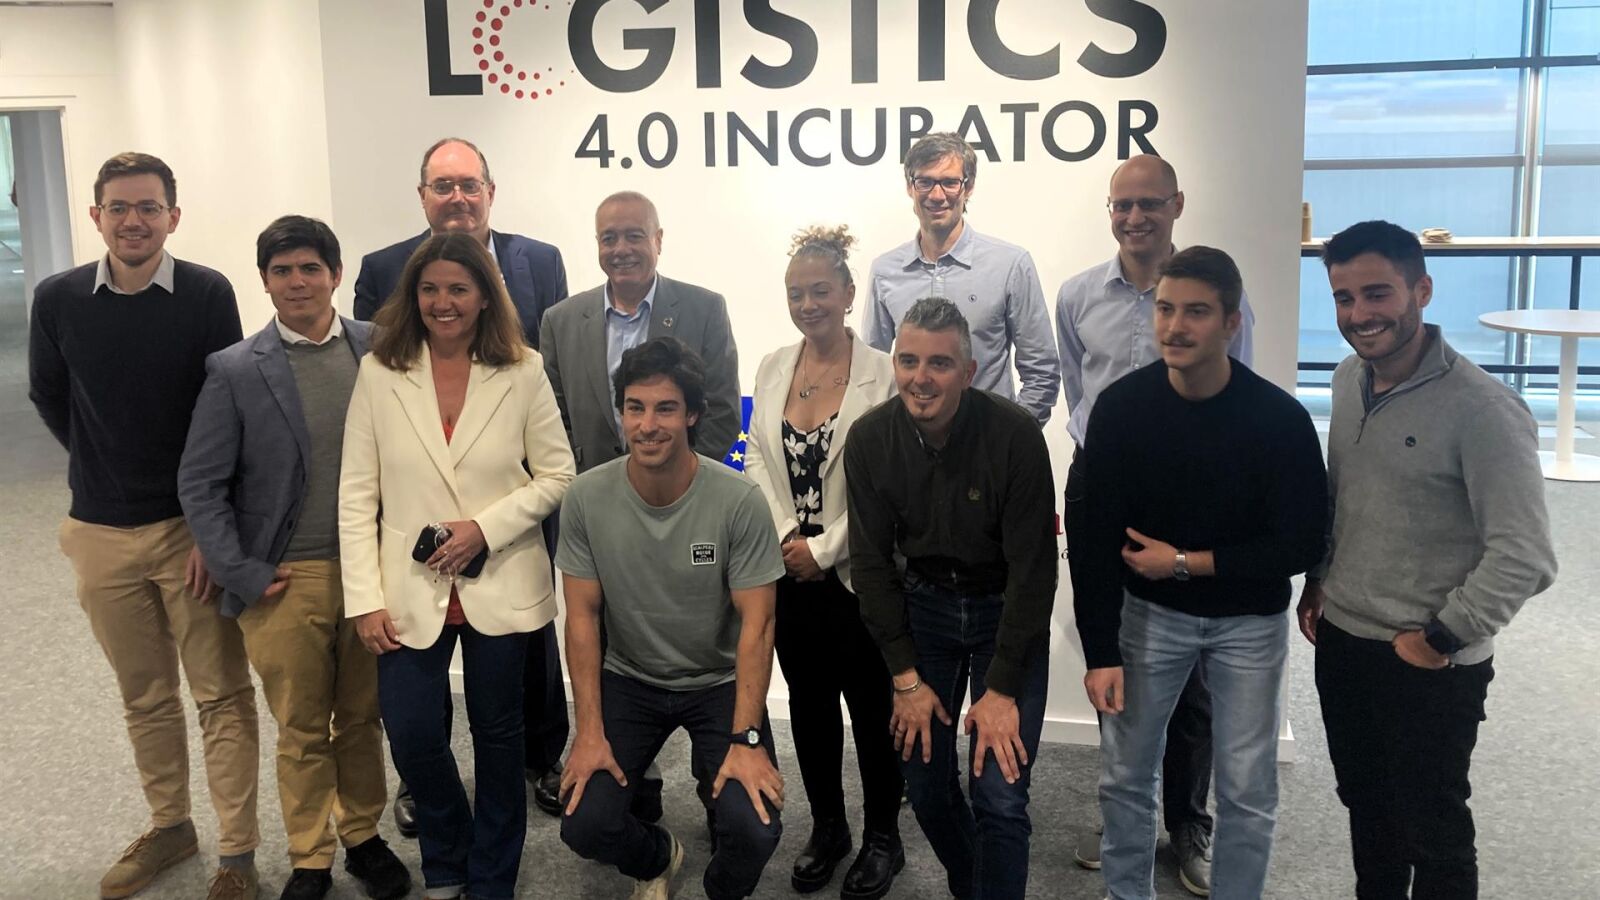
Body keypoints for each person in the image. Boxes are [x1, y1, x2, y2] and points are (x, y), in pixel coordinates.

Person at [1300, 220, 1557, 900]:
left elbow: (1526, 555)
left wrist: (1442, 636)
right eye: (1344, 297)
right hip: (1345, 641)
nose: (1359, 314)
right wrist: (1319, 580)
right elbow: (1343, 496)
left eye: (1377, 293)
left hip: (1429, 660)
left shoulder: (1484, 409)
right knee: (1368, 809)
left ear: (1422, 290)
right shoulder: (1349, 378)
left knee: (1434, 831)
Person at [29, 152, 260, 900]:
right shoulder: (58, 298)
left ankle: (238, 855)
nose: (134, 221)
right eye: (120, 208)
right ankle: (170, 826)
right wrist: (100, 461)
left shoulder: (206, 293)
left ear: (173, 216)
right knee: (145, 695)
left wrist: (210, 527)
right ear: (96, 216)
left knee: (221, 693)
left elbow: (225, 411)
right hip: (97, 531)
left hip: (187, 532)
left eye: (149, 207)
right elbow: (50, 395)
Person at [1074, 246, 1327, 900]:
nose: (1175, 326)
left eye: (1196, 312)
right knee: (1125, 777)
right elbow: (1094, 538)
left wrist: (1186, 562)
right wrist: (1100, 652)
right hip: (1148, 617)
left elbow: (1301, 543)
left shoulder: (1279, 420)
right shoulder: (1121, 410)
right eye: (1165, 309)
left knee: (1247, 788)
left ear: (1231, 323)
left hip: (1249, 625)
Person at [177, 216, 411, 900]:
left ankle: (364, 837)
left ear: (335, 275)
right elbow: (201, 482)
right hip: (284, 579)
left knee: (362, 718)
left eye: (310, 268)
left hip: (372, 573)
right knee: (302, 726)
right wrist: (241, 572)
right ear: (264, 281)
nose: (297, 282)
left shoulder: (381, 349)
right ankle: (310, 857)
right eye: (282, 271)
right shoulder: (234, 369)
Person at [339, 232, 575, 899]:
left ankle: (492, 876)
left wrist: (484, 529)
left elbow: (558, 474)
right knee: (412, 731)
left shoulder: (522, 369)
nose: (443, 302)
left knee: (499, 737)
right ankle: (448, 853)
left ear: (484, 296)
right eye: (430, 289)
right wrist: (364, 598)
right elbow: (356, 492)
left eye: (458, 289)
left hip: (501, 578)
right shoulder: (380, 370)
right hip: (407, 588)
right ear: (413, 295)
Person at [1055, 154, 1257, 890]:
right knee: (1111, 652)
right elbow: (1077, 390)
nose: (1135, 217)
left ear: (1177, 204)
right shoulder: (1077, 295)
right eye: (1122, 205)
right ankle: (1125, 811)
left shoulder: (1217, 298)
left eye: (1149, 203)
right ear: (1110, 211)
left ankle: (1189, 820)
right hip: (1101, 486)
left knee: (1196, 668)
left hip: (1191, 490)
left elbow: (1238, 396)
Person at [557, 337, 786, 900]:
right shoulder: (586, 497)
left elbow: (758, 627)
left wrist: (748, 738)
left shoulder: (738, 501)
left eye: (665, 408)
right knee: (584, 823)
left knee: (754, 828)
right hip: (630, 677)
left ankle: (718, 889)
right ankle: (659, 856)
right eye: (634, 407)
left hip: (719, 680)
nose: (647, 425)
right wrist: (588, 732)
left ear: (692, 415)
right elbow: (581, 618)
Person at [540, 190, 744, 819]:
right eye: (609, 237)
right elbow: (552, 422)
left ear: (659, 240)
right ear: (596, 245)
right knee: (605, 643)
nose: (622, 248)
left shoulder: (703, 308)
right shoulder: (560, 320)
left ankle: (719, 782)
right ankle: (633, 782)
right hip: (597, 518)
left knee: (689, 632)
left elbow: (719, 412)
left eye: (634, 235)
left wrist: (679, 489)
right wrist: (596, 492)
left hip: (683, 510)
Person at [846, 298, 1056, 900]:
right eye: (908, 360)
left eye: (939, 363)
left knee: (1000, 791)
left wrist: (1003, 689)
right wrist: (905, 679)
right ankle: (975, 885)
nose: (921, 378)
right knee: (925, 785)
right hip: (926, 608)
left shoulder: (1015, 436)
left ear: (969, 371)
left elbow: (1034, 573)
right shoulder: (869, 439)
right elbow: (870, 567)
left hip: (1004, 609)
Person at [743, 226, 904, 898]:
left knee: (872, 712)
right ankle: (829, 828)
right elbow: (754, 456)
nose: (807, 305)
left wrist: (824, 548)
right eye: (795, 294)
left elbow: (889, 485)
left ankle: (883, 838)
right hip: (790, 574)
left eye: (819, 291)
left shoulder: (885, 373)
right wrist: (788, 536)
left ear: (848, 293)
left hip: (858, 572)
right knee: (809, 709)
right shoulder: (772, 366)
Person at [862, 133, 1059, 425]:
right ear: (909, 187)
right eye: (925, 182)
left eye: (950, 182)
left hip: (989, 444)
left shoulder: (1010, 265)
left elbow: (1042, 371)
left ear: (969, 186)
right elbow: (873, 373)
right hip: (909, 447)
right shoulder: (885, 271)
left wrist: (1011, 439)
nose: (937, 195)